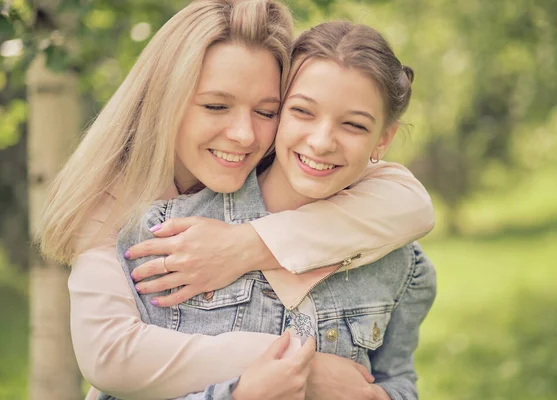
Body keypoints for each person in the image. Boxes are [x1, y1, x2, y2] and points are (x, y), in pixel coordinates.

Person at [38, 0, 434, 399]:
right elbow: (112, 358)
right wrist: (302, 365)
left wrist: (247, 246)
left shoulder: (287, 162)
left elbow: (412, 206)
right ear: (165, 99)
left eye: (266, 111)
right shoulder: (124, 216)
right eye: (216, 106)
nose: (244, 135)